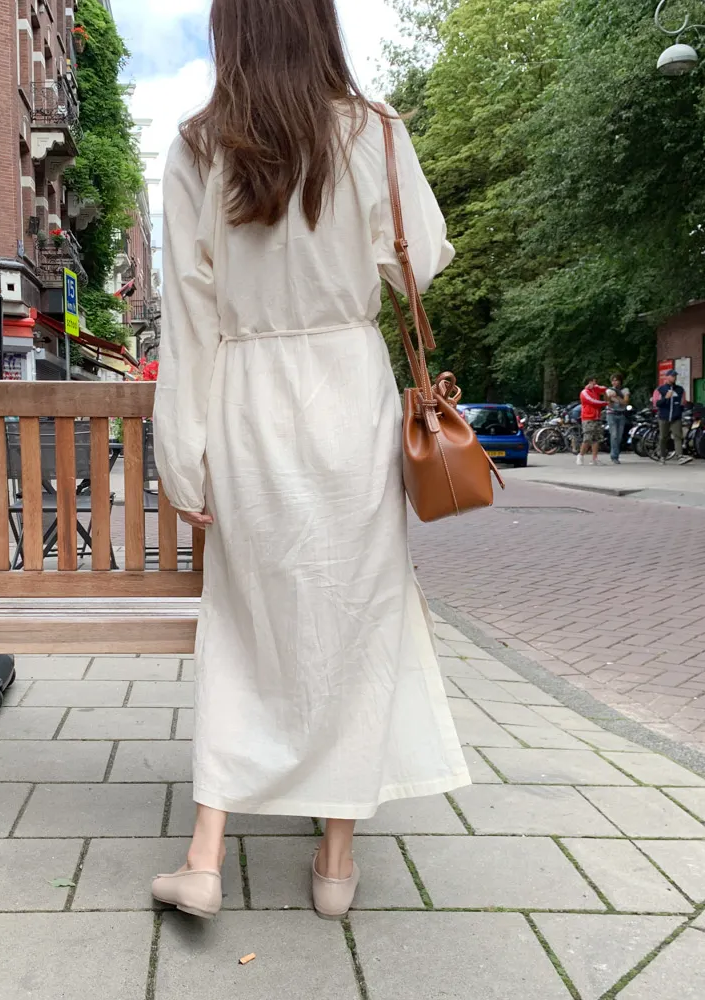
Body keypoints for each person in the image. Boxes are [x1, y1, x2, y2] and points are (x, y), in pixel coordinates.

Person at [151, 0, 469, 921]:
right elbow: (419, 261)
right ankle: (334, 860)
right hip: (349, 394)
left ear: (232, 30)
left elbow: (189, 313)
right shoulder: (374, 130)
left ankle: (204, 858)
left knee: (242, 624)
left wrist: (184, 458)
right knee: (356, 617)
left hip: (246, 397)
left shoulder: (199, 144)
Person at [655, 368, 693, 465]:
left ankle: (679, 456)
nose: (674, 378)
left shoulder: (680, 389)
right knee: (663, 437)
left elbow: (683, 402)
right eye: (672, 376)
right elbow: (656, 403)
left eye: (675, 376)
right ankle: (662, 456)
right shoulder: (660, 389)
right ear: (667, 377)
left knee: (678, 436)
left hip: (676, 417)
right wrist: (665, 398)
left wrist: (680, 410)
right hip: (664, 416)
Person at [577, 377, 608, 466]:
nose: (595, 383)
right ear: (589, 382)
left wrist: (598, 387)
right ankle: (580, 456)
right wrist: (605, 403)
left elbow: (604, 389)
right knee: (587, 438)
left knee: (596, 439)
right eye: (593, 382)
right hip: (588, 417)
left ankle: (594, 458)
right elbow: (592, 402)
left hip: (596, 417)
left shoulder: (595, 390)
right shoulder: (584, 392)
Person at [604, 373, 630, 464]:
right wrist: (610, 398)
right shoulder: (608, 390)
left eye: (616, 380)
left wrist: (617, 397)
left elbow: (625, 402)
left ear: (620, 381)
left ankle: (616, 453)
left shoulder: (625, 390)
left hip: (621, 414)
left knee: (619, 436)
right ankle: (614, 456)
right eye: (613, 380)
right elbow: (608, 403)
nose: (614, 382)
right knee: (614, 435)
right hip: (611, 414)